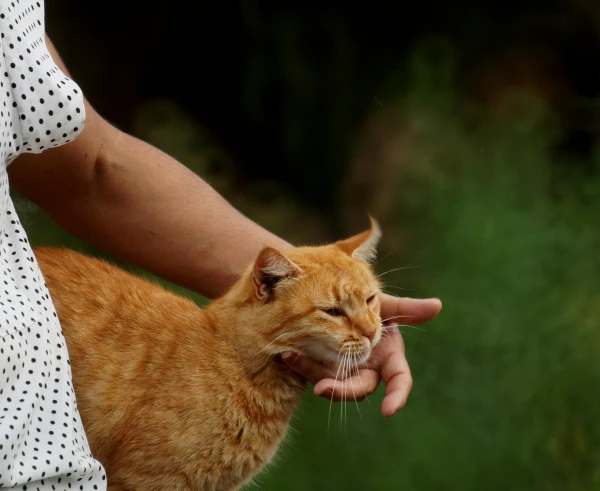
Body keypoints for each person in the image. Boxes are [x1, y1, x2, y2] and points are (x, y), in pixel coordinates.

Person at [0, 1, 441, 489]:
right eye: (340, 313)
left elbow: (93, 168)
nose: (369, 325)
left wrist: (330, 287)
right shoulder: (199, 378)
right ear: (265, 288)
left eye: (372, 301)